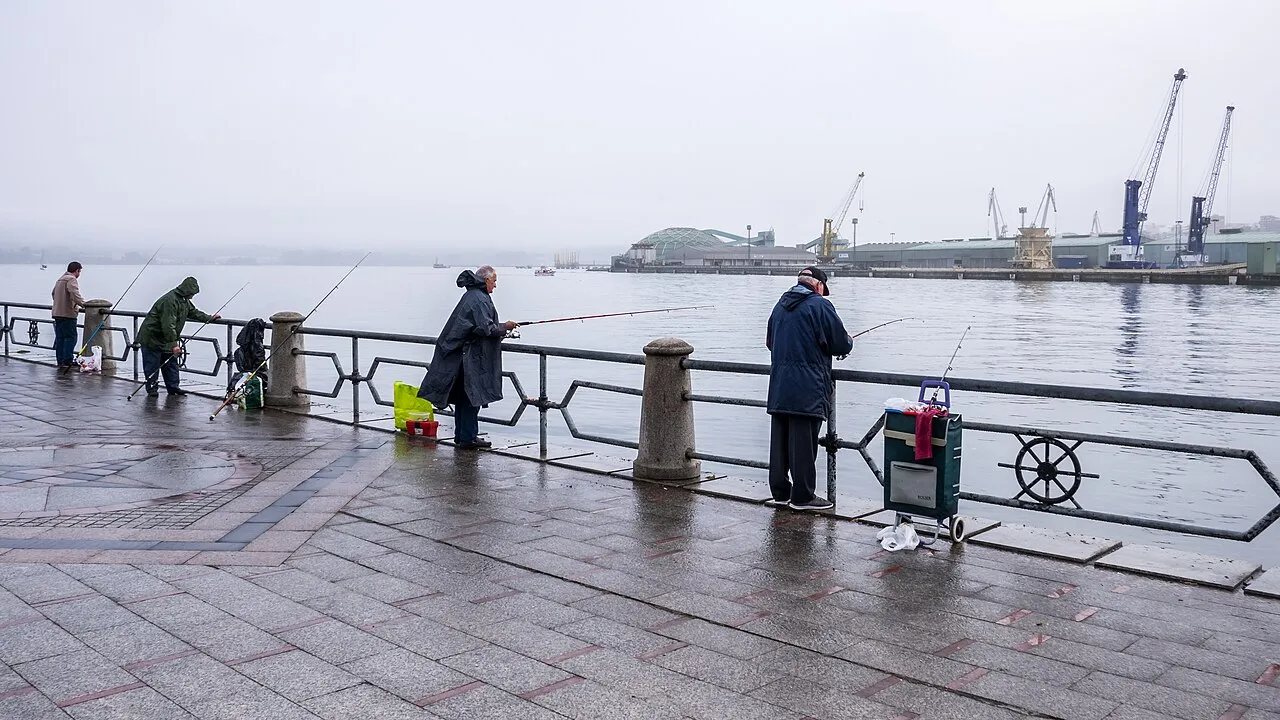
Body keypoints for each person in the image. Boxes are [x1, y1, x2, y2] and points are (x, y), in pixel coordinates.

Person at [765, 266, 853, 511]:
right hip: (808, 385)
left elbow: (770, 342)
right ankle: (803, 496)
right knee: (804, 442)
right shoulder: (820, 306)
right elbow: (840, 343)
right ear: (819, 285)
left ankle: (781, 492)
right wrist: (849, 343)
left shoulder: (779, 306)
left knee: (780, 441)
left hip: (780, 384)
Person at [419, 266, 518, 448]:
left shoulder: (472, 295)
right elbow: (486, 328)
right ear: (486, 280)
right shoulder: (479, 299)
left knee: (465, 399)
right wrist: (506, 326)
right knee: (472, 398)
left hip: (461, 356)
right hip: (469, 358)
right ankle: (468, 438)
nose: (495, 285)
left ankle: (464, 436)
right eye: (494, 281)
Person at [135, 277, 220, 397]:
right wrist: (174, 345)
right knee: (152, 365)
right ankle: (152, 389)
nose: (193, 296)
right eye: (192, 293)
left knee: (171, 364)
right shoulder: (170, 301)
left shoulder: (184, 300)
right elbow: (168, 325)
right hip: (152, 337)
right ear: (186, 291)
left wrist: (209, 318)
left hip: (166, 338)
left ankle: (173, 387)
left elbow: (193, 312)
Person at [51, 261, 87, 368]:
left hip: (57, 313)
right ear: (76, 271)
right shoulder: (72, 279)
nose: (79, 274)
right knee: (71, 337)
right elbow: (74, 294)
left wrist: (59, 303)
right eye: (79, 271)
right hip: (68, 313)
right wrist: (83, 304)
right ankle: (67, 360)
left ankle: (60, 360)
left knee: (60, 338)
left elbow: (53, 293)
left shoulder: (60, 279)